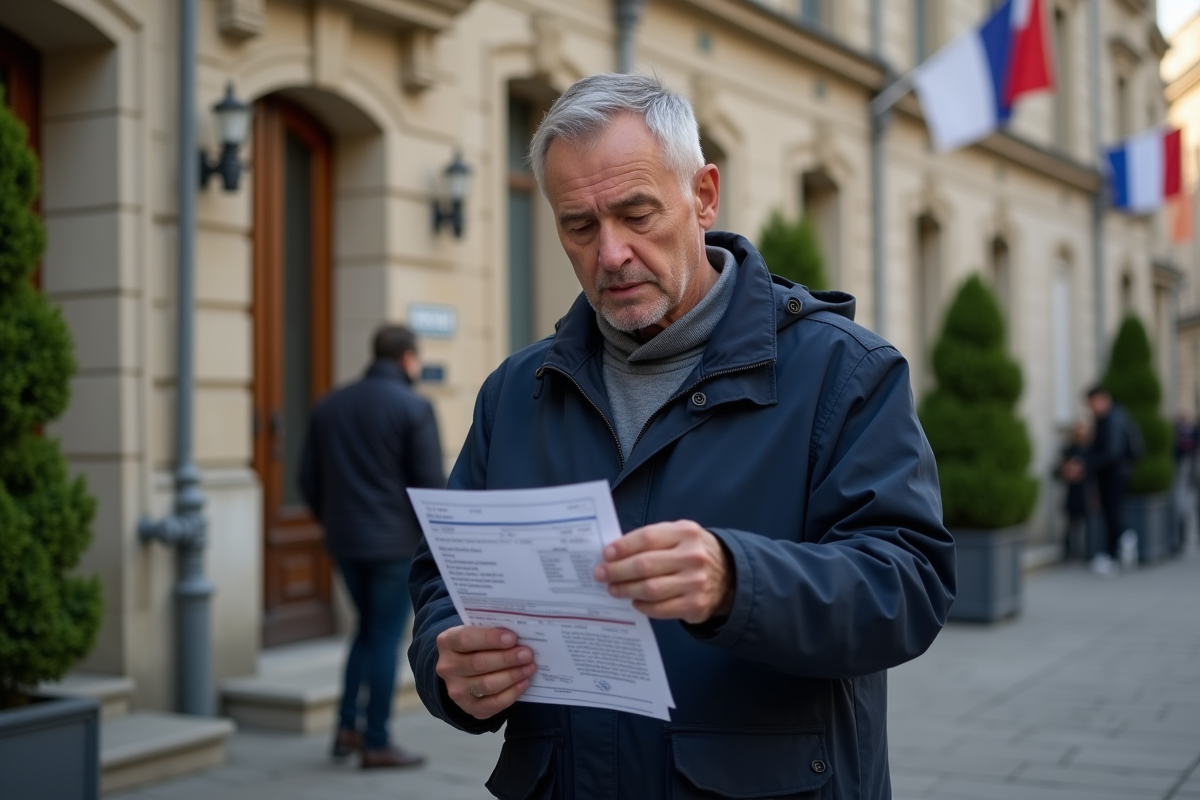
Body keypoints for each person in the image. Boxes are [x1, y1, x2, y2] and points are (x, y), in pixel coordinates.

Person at [408, 74, 956, 799]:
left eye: (637, 214)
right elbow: (445, 579)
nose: (610, 253)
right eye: (579, 225)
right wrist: (448, 664)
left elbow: (908, 585)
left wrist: (739, 581)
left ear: (703, 195)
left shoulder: (843, 372)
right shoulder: (514, 392)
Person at [299, 325, 445, 769]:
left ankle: (346, 727)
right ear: (406, 359)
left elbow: (307, 479)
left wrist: (335, 521)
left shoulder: (330, 404)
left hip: (345, 541)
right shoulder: (415, 407)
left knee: (364, 630)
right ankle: (377, 740)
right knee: (384, 637)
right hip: (393, 544)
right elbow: (429, 487)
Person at [1085, 386, 1140, 576]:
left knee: (1111, 514)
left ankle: (1122, 543)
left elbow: (1111, 452)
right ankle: (1115, 552)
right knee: (1112, 513)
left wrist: (1088, 463)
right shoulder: (1117, 416)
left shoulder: (1110, 420)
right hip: (1118, 473)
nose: (1091, 407)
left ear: (1101, 399)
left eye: (1092, 402)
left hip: (1112, 475)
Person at [1057, 421, 1092, 559]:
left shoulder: (1089, 449)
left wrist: (1081, 470)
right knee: (1071, 522)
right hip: (1072, 490)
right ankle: (1069, 551)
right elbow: (1059, 469)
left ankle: (1086, 551)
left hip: (1085, 490)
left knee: (1086, 522)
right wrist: (1068, 470)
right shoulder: (1069, 449)